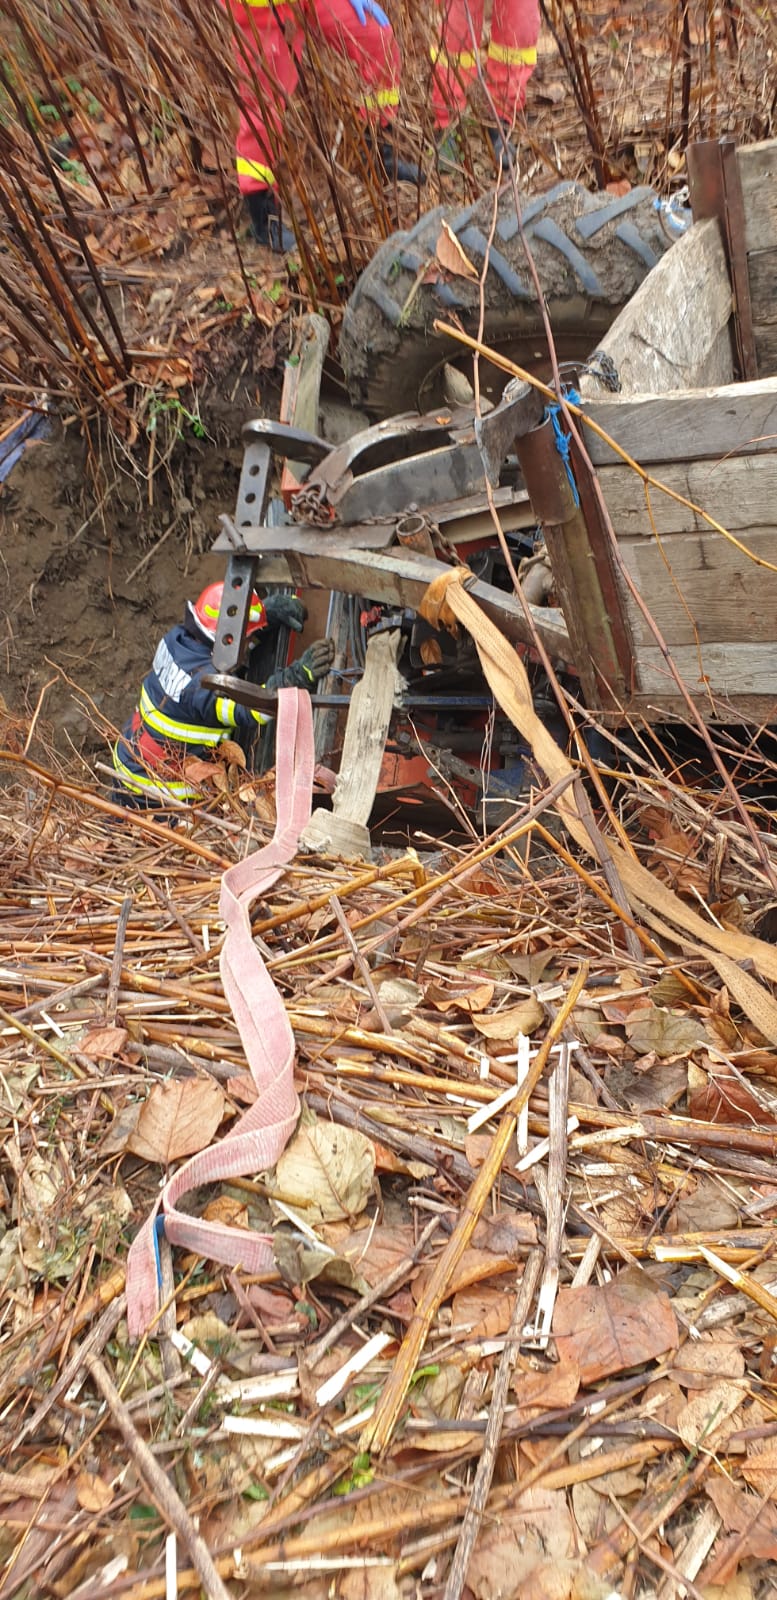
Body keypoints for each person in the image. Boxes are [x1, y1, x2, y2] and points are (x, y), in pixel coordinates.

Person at [223, 0, 540, 252]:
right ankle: (261, 208)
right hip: (260, 10)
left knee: (377, 39)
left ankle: (376, 148)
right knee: (263, 105)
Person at [112, 581, 335, 807]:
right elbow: (253, 710)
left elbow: (225, 644)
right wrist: (293, 678)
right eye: (247, 639)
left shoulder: (177, 639)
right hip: (154, 792)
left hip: (129, 759)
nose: (249, 644)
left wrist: (264, 616)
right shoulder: (205, 689)